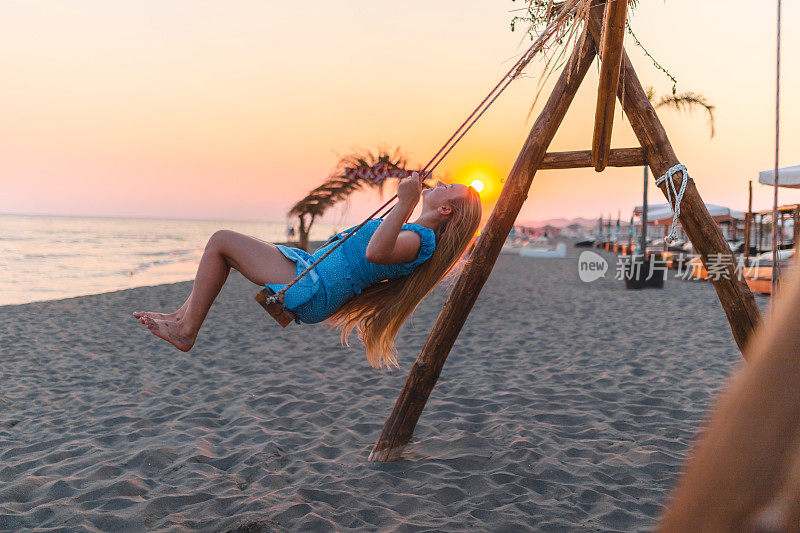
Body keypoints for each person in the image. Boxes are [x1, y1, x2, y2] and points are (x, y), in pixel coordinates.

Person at [133, 172, 482, 369]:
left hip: (317, 286)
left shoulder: (420, 241)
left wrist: (405, 202)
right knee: (222, 249)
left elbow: (376, 252)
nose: (442, 183)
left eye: (450, 188)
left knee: (221, 241)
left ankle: (186, 330)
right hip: (311, 272)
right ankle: (181, 320)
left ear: (447, 210)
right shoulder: (415, 235)